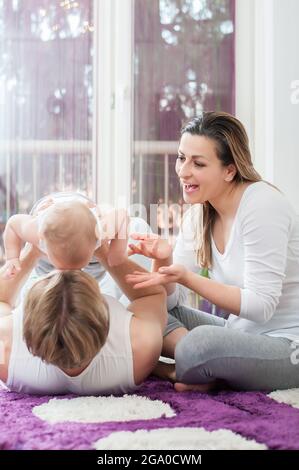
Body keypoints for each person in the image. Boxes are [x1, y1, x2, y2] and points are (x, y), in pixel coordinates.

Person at [126, 111, 299, 392]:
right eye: (182, 158)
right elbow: (170, 305)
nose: (183, 171)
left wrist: (187, 277)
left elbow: (261, 307)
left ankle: (184, 366)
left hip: (287, 345)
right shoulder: (199, 215)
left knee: (199, 346)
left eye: (199, 163)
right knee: (138, 309)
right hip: (237, 334)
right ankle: (197, 370)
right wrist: (163, 260)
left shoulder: (262, 205)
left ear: (229, 170)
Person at [0, 242, 167, 395]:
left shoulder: (4, 349)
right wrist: (102, 250)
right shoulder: (142, 345)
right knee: (137, 226)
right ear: (106, 319)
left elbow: (2, 300)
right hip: (110, 301)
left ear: (25, 323)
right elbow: (153, 294)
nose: (65, 268)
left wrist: (31, 252)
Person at [2, 192, 128, 278]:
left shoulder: (100, 230)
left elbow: (122, 215)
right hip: (48, 207)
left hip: (85, 208)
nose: (70, 270)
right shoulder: (37, 230)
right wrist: (12, 258)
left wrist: (117, 250)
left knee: (103, 211)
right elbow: (13, 224)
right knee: (43, 272)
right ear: (42, 237)